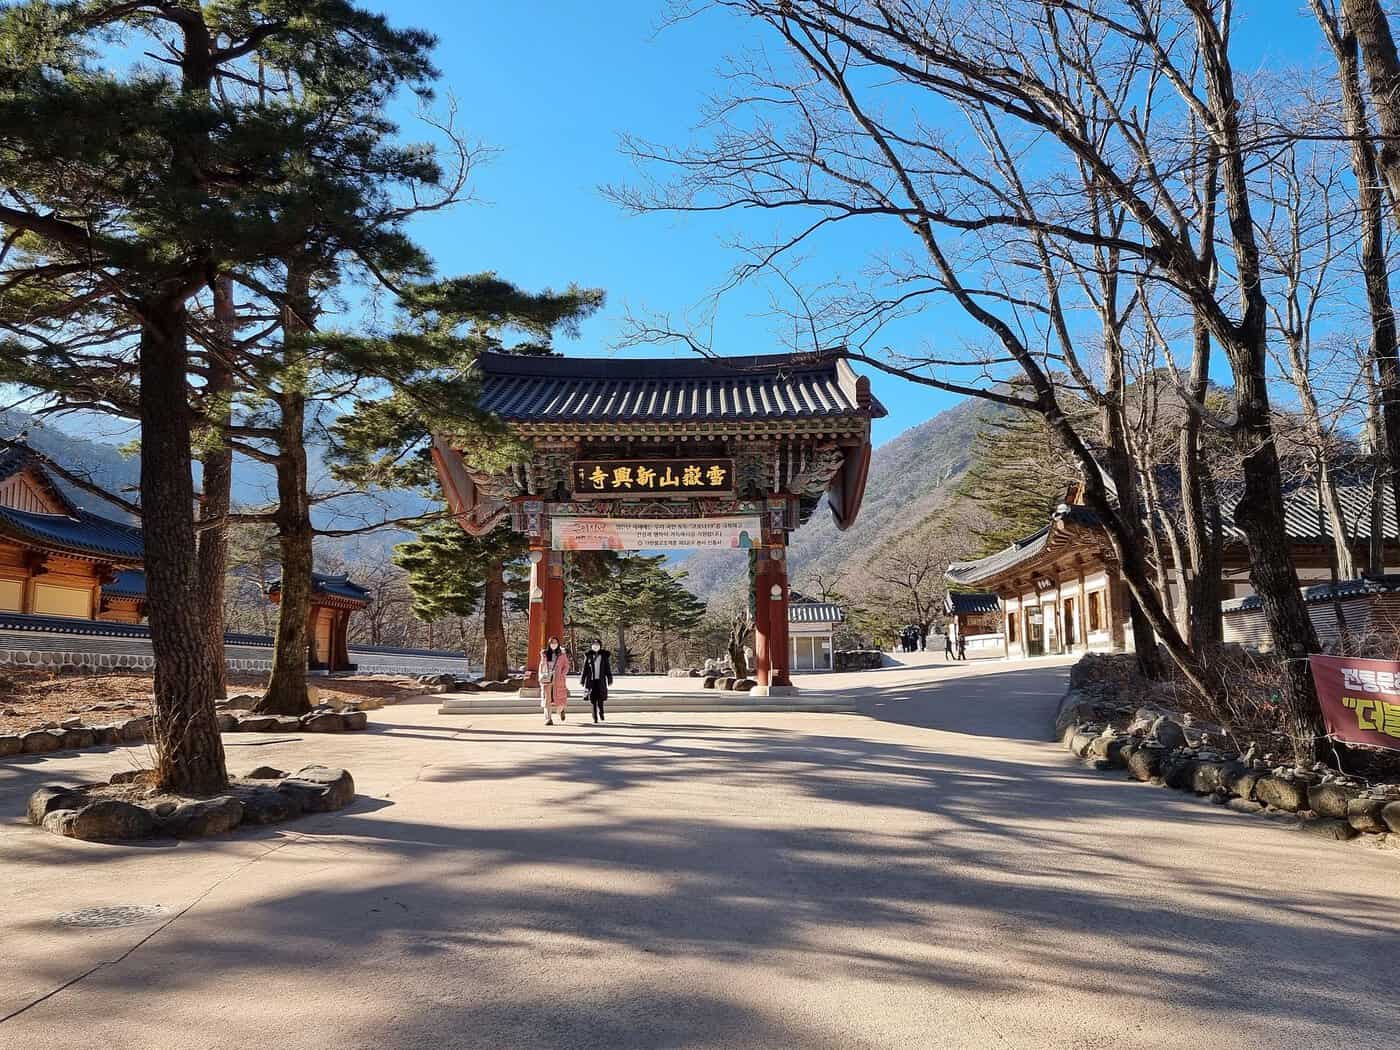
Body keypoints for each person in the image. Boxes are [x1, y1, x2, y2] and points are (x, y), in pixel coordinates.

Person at [580, 640, 614, 723]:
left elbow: (607, 669)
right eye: (594, 644)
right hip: (591, 681)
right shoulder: (588, 656)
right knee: (592, 699)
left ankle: (601, 712)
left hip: (600, 680)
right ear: (591, 645)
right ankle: (594, 717)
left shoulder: (604, 656)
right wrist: (582, 679)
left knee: (600, 699)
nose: (595, 646)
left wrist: (609, 679)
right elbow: (585, 669)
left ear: (600, 646)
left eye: (597, 644)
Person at [539, 637, 570, 725]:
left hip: (558, 679)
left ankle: (561, 711)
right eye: (552, 642)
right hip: (547, 679)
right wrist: (541, 676)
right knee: (547, 699)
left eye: (555, 642)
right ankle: (548, 719)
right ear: (549, 644)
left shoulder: (562, 655)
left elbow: (566, 666)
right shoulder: (544, 654)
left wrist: (562, 674)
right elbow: (541, 666)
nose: (554, 644)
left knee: (559, 698)